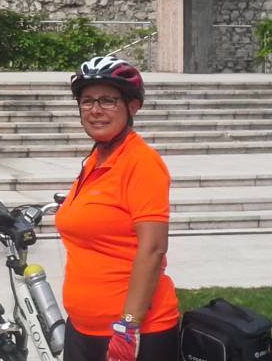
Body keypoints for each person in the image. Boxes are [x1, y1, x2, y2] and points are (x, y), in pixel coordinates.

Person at [55, 55, 179, 361]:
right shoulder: (95, 161)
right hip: (83, 329)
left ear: (132, 106)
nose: (95, 110)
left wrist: (128, 327)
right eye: (87, 101)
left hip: (133, 334)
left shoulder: (141, 163)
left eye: (108, 101)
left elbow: (153, 249)